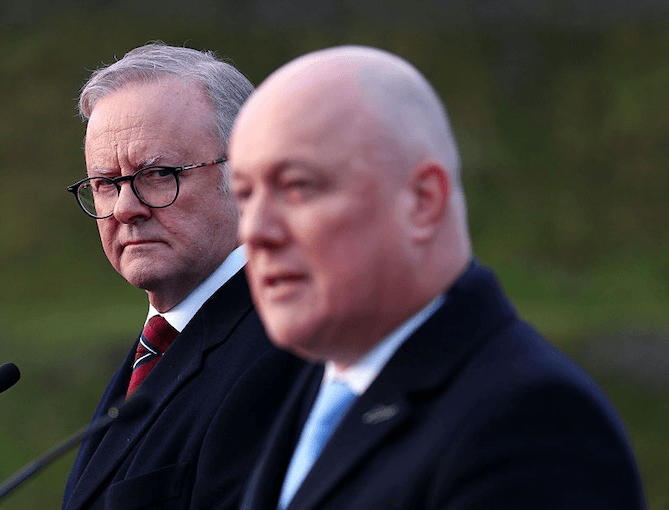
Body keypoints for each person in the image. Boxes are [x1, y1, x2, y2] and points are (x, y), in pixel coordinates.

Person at [228, 45, 645, 510]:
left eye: (296, 186)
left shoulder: (532, 423)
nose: (255, 232)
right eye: (244, 195)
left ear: (423, 202)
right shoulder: (316, 384)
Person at [61, 42, 304, 510]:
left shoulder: (285, 346)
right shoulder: (160, 341)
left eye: (158, 174)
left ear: (245, 174)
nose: (126, 209)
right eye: (106, 184)